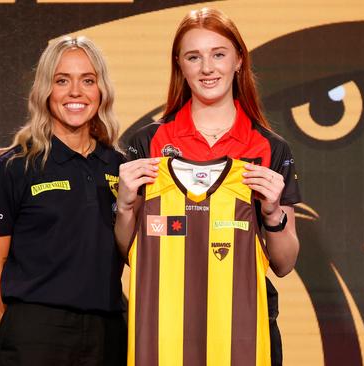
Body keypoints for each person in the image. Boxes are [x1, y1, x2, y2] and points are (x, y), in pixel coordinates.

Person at [116, 8, 301, 366]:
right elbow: (129, 253)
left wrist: (273, 212)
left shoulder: (270, 148)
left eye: (218, 54)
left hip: (244, 326)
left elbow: (284, 263)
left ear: (238, 61)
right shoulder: (148, 142)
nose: (207, 68)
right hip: (164, 325)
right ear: (179, 66)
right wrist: (124, 207)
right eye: (193, 57)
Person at [0, 35, 126, 365]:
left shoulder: (121, 167)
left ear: (102, 91)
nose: (75, 92)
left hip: (108, 334)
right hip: (34, 336)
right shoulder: (13, 167)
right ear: (45, 91)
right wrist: (25, 338)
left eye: (88, 80)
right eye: (62, 80)